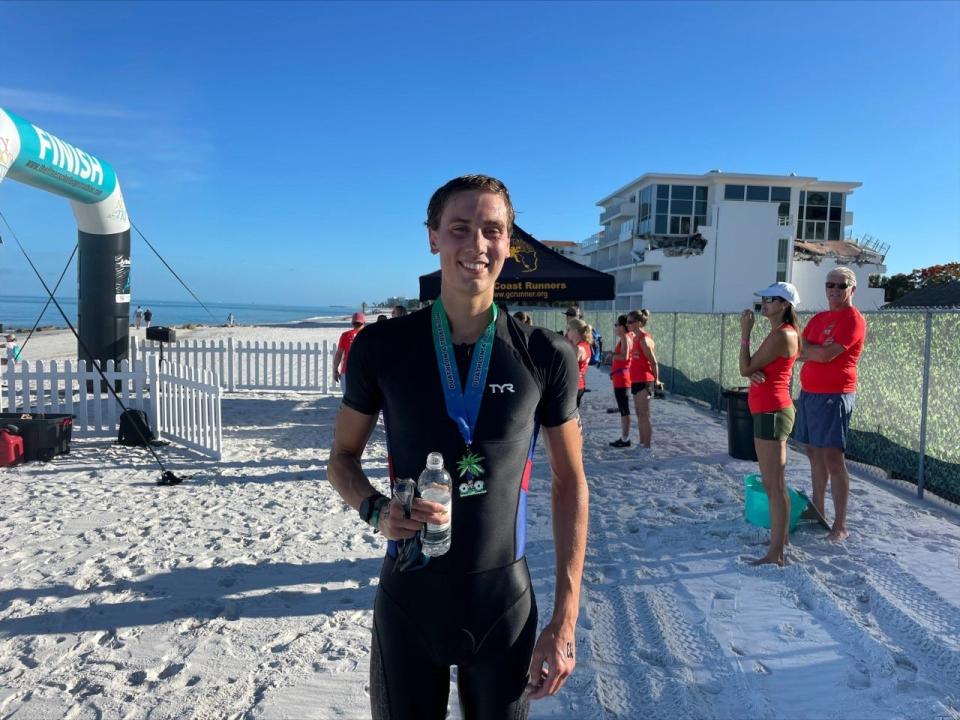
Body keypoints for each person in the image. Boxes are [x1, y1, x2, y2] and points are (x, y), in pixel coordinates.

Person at [328, 175, 588, 719]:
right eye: (460, 228)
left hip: (503, 606)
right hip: (409, 602)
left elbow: (570, 482)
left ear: (509, 241)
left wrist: (565, 620)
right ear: (433, 238)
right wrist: (374, 509)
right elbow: (342, 459)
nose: (477, 245)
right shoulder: (383, 347)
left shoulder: (546, 354)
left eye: (492, 230)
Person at [793, 267, 866, 542]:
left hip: (835, 395)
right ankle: (818, 511)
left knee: (833, 458)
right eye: (830, 285)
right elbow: (797, 351)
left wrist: (815, 352)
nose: (834, 290)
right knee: (813, 454)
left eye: (841, 285)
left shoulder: (853, 320)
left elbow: (825, 356)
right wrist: (815, 352)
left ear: (852, 289)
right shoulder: (819, 319)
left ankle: (840, 525)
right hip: (810, 393)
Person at [739, 282, 800, 566]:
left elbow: (745, 367)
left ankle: (776, 553)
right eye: (763, 298)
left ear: (784, 304)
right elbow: (756, 371)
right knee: (776, 482)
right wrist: (754, 374)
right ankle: (780, 539)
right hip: (770, 409)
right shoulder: (780, 333)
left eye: (769, 299)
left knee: (772, 484)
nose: (763, 303)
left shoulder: (782, 335)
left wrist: (745, 335)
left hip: (771, 411)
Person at [626, 309, 660, 453]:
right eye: (627, 322)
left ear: (639, 323)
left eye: (630, 322)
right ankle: (641, 444)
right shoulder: (635, 338)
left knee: (644, 415)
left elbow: (653, 362)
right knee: (639, 413)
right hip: (636, 380)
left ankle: (647, 448)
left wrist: (657, 380)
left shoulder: (644, 339)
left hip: (645, 380)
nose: (627, 324)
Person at [609, 314, 633, 447]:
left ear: (623, 327)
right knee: (624, 409)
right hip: (621, 377)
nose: (615, 327)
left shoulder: (625, 337)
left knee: (624, 409)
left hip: (622, 379)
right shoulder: (627, 337)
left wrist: (612, 355)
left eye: (617, 324)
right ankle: (625, 437)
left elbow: (625, 356)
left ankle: (625, 439)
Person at [333, 312, 365, 391]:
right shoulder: (370, 335)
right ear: (364, 322)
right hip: (364, 372)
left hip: (347, 371)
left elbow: (339, 354)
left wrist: (335, 370)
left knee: (347, 399)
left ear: (352, 322)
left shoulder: (346, 335)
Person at [566, 319, 592, 408]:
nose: (567, 332)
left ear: (575, 331)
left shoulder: (579, 349)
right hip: (579, 385)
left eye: (568, 330)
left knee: (570, 418)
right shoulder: (585, 344)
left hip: (574, 386)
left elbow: (568, 368)